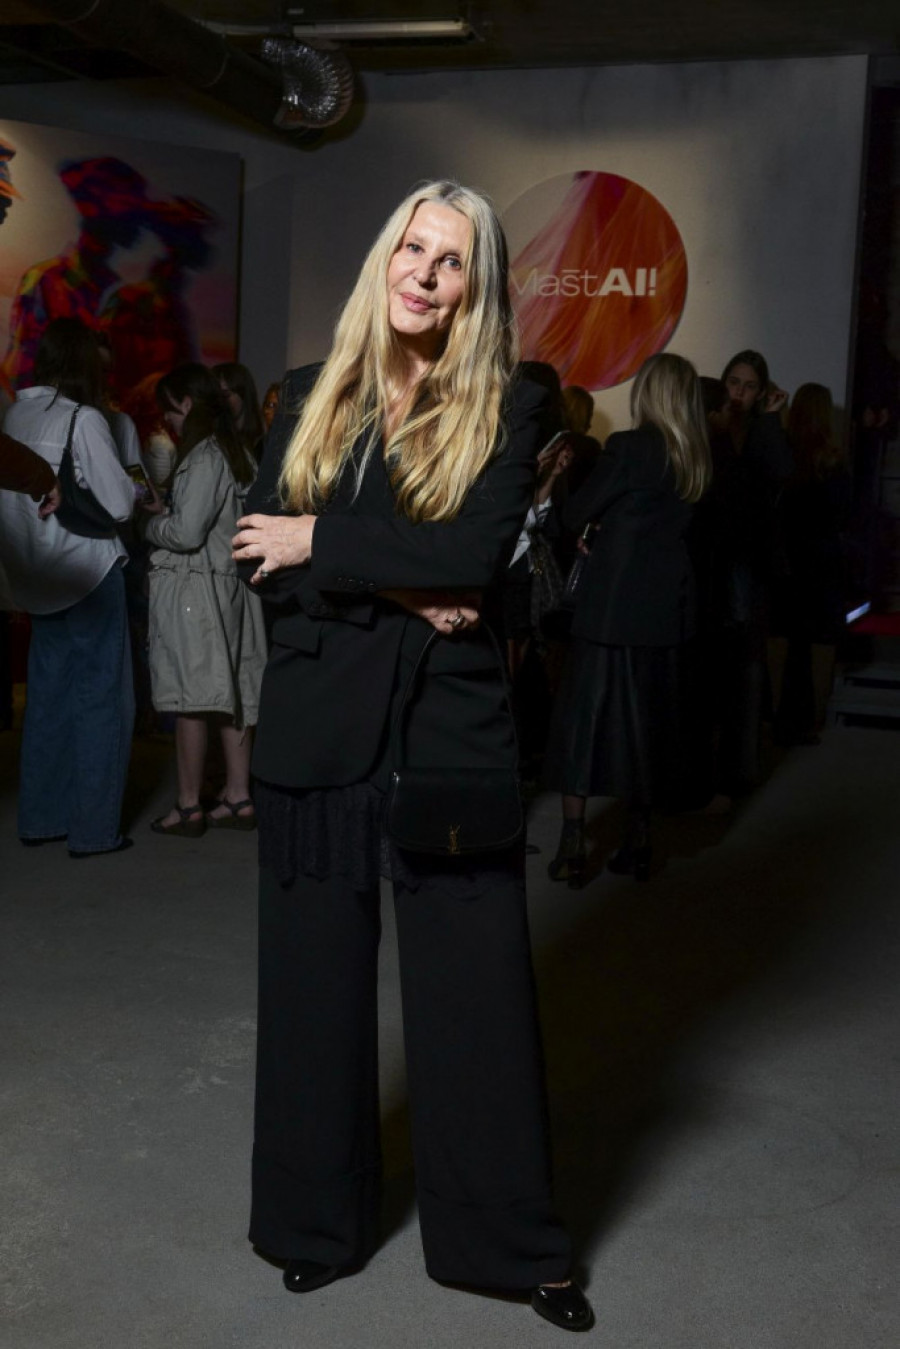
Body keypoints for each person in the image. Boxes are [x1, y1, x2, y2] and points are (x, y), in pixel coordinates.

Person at [230, 181, 592, 1332]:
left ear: (477, 288)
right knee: (311, 1000)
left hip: (449, 736)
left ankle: (507, 1246)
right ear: (385, 255)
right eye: (414, 249)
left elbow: (474, 555)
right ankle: (311, 1224)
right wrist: (403, 579)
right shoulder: (309, 394)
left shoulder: (514, 400)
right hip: (318, 730)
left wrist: (326, 543)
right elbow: (257, 556)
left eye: (453, 261)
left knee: (478, 1001)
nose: (426, 275)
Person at [544, 352, 712, 884]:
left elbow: (576, 513)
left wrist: (593, 524)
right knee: (646, 724)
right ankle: (638, 840)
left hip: (611, 609)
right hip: (665, 609)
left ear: (649, 394)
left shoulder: (629, 446)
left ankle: (573, 844)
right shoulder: (696, 455)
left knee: (584, 722)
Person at [0, 318, 136, 855]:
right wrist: (136, 490)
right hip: (88, 571)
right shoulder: (85, 418)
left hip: (36, 575)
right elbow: (118, 505)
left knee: (47, 700)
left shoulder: (16, 414)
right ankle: (93, 831)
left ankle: (41, 819)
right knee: (101, 701)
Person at [142, 364, 267, 835]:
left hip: (199, 591)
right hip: (232, 586)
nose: (167, 419)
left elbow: (186, 533)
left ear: (188, 403)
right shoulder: (236, 452)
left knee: (190, 698)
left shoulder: (204, 456)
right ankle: (238, 797)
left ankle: (189, 805)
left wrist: (151, 524)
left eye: (170, 409)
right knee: (233, 693)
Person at [2, 157, 151, 392]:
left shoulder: (117, 291)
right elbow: (22, 370)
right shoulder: (47, 281)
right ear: (98, 210)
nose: (137, 221)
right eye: (126, 206)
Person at [771, 383, 852, 743]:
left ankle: (775, 716)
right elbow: (843, 515)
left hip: (786, 559)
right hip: (821, 563)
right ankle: (809, 719)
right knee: (816, 643)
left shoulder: (783, 455)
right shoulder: (833, 461)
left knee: (781, 640)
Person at [213, 361, 265, 462]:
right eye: (215, 396)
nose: (219, 401)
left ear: (244, 395)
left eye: (225, 395)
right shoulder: (212, 442)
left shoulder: (262, 446)